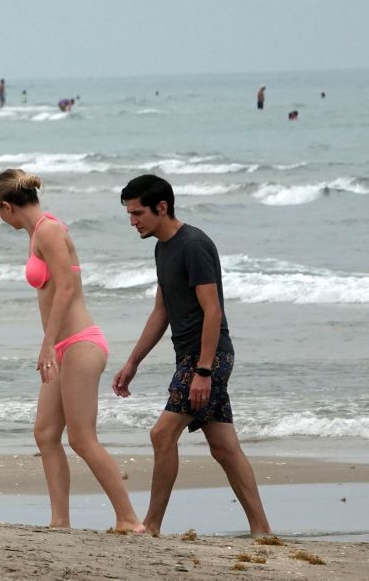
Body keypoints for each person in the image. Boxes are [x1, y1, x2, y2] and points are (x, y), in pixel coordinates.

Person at [113, 175, 271, 537]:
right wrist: (132, 362)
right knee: (223, 446)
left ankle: (151, 526)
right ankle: (262, 529)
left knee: (161, 434)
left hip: (207, 357)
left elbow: (212, 311)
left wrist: (203, 370)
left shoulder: (194, 245)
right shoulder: (162, 248)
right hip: (193, 357)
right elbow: (161, 311)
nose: (132, 221)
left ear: (162, 207)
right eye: (129, 213)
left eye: (137, 213)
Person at [0, 170, 144, 532]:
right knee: (45, 434)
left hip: (79, 344)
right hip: (62, 346)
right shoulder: (37, 233)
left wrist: (47, 344)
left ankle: (128, 519)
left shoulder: (49, 230)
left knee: (81, 438)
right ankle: (60, 521)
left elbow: (68, 289)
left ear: (5, 206)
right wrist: (51, 345)